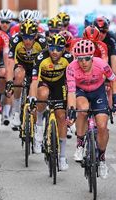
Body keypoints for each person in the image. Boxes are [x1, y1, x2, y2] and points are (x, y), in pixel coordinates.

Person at [66, 39, 116, 179]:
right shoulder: (71, 68)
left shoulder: (102, 65)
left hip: (98, 92)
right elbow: (71, 92)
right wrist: (71, 110)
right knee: (83, 109)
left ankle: (102, 158)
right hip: (80, 92)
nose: (83, 62)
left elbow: (114, 80)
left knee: (102, 125)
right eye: (79, 59)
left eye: (86, 58)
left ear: (92, 57)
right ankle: (80, 143)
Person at [28, 34, 73, 170]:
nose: (54, 52)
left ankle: (62, 157)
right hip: (44, 83)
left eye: (58, 49)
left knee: (61, 116)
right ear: (48, 48)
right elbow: (35, 80)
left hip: (59, 85)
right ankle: (39, 125)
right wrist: (32, 98)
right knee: (43, 94)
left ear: (63, 49)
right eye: (52, 48)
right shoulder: (41, 57)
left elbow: (72, 83)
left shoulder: (69, 58)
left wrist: (72, 104)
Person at [5, 19, 47, 130]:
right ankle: (16, 111)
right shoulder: (15, 40)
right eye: (24, 37)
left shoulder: (42, 42)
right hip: (21, 63)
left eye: (31, 38)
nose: (27, 41)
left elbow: (46, 63)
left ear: (36, 36)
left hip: (36, 65)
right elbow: (10, 62)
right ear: (20, 35)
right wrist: (9, 82)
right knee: (19, 76)